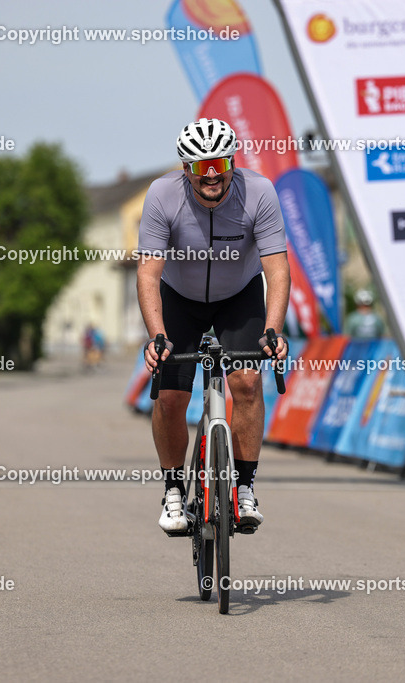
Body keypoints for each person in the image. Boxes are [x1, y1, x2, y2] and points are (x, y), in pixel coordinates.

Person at [139, 117, 290, 535]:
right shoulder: (161, 195)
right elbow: (149, 274)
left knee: (245, 382)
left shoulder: (259, 192)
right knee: (170, 395)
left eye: (220, 166)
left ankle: (244, 487)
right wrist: (157, 335)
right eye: (201, 167)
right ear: (185, 168)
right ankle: (173, 490)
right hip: (179, 299)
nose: (212, 177)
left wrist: (273, 330)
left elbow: (276, 271)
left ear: (231, 163)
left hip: (237, 297)